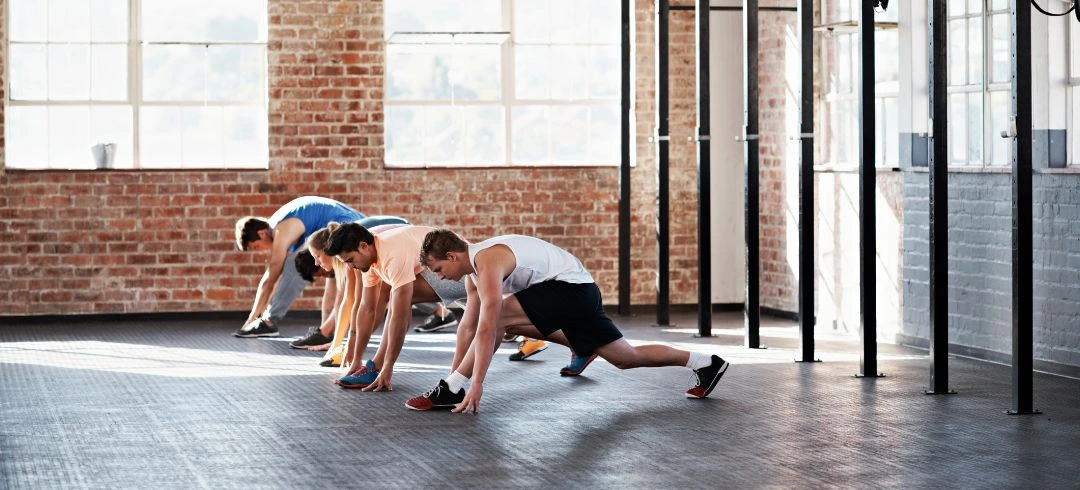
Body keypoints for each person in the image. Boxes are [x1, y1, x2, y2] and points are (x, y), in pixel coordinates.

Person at [406, 230, 730, 413]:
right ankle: (705, 362)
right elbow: (469, 326)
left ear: (452, 256)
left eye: (438, 270)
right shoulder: (473, 276)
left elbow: (489, 325)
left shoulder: (487, 259)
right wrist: (455, 373)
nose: (439, 278)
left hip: (570, 290)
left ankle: (453, 388)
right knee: (625, 358)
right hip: (579, 292)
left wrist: (473, 383)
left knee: (500, 316)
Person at [323, 223, 469, 391]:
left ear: (363, 246)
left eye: (350, 260)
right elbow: (367, 309)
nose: (350, 267)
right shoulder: (371, 259)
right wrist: (356, 359)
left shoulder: (393, 255)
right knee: (394, 294)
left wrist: (388, 368)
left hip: (463, 273)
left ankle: (378, 367)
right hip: (436, 270)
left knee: (399, 298)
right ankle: (375, 367)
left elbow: (399, 315)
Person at [293, 218, 409, 368]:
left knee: (381, 298)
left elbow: (363, 305)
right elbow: (348, 301)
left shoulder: (353, 257)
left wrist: (351, 345)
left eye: (317, 256)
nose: (316, 263)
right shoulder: (347, 263)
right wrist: (336, 344)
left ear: (328, 250)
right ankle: (367, 357)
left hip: (403, 244)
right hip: (389, 241)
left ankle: (378, 363)